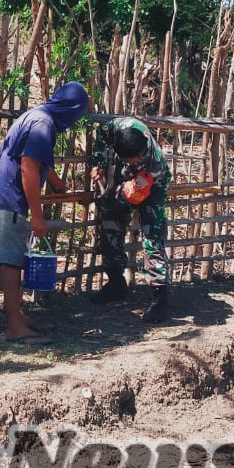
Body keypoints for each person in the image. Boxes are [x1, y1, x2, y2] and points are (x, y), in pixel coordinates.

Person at [0, 81, 90, 343]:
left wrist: (58, 185)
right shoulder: (44, 124)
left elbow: (37, 161)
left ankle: (18, 316)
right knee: (11, 262)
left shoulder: (36, 116)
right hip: (9, 197)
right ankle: (15, 327)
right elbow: (28, 168)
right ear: (72, 109)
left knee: (12, 259)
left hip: (2, 192)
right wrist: (37, 216)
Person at [89, 116, 172, 323]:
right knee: (110, 224)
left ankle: (160, 298)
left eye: (139, 157)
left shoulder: (154, 164)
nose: (138, 160)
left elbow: (132, 194)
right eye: (134, 159)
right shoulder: (117, 128)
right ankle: (116, 283)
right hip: (124, 181)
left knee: (153, 237)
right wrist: (99, 163)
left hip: (151, 188)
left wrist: (117, 194)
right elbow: (101, 135)